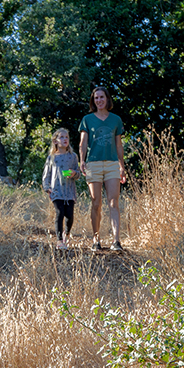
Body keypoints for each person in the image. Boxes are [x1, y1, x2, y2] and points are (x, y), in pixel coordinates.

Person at [78, 85, 127, 251]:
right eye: (96, 98)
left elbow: (118, 145)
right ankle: (96, 240)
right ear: (93, 101)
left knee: (113, 202)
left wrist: (122, 166)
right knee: (95, 202)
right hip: (93, 164)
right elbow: (83, 143)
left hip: (112, 164)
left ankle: (116, 241)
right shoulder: (87, 119)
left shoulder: (116, 120)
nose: (99, 100)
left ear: (107, 99)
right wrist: (82, 161)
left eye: (101, 97)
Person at [41, 127, 80, 250]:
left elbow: (78, 174)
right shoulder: (51, 158)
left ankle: (66, 234)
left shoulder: (73, 156)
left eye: (66, 137)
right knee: (60, 213)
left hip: (69, 192)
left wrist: (74, 173)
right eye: (61, 137)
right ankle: (59, 241)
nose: (65, 139)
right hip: (56, 191)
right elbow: (46, 175)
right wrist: (47, 188)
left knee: (69, 216)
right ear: (55, 141)